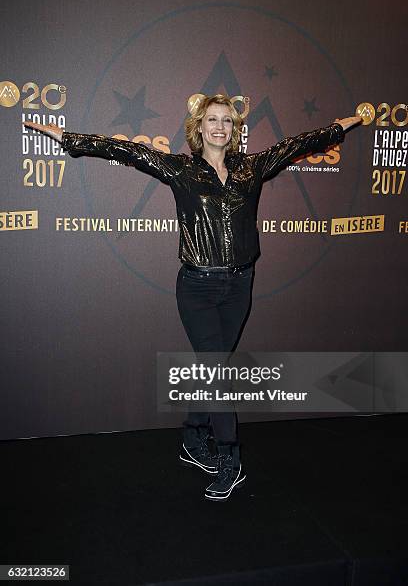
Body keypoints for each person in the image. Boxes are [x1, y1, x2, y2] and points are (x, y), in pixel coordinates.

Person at [24, 94, 362, 502]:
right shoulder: (181, 168)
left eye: (227, 120)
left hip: (239, 286)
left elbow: (296, 144)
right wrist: (68, 137)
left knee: (212, 367)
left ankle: (191, 435)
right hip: (197, 288)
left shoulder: (252, 166)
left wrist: (339, 126)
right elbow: (128, 150)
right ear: (198, 127)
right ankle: (229, 457)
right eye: (212, 119)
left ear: (235, 129)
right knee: (218, 371)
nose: (220, 126)